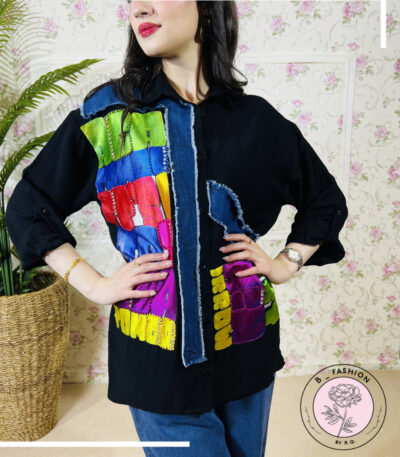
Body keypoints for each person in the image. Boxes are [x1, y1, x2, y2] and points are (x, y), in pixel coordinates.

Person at [5, 1, 348, 455]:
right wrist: (94, 284)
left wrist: (286, 263)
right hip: (157, 358)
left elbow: (324, 200)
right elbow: (29, 206)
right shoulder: (107, 116)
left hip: (247, 345)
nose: (139, 8)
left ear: (207, 8)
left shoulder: (258, 121)